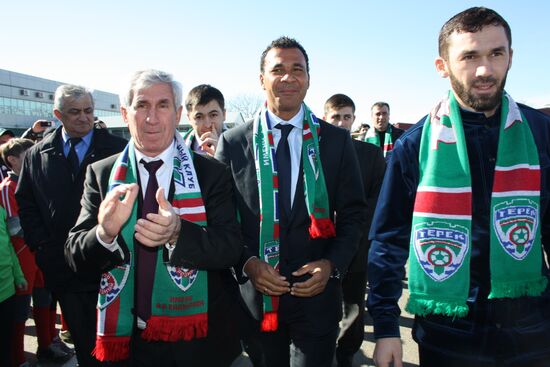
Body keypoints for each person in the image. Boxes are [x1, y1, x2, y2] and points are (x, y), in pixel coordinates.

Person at [367, 7, 550, 367]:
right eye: (469, 56)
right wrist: (387, 327)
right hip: (448, 335)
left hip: (533, 330)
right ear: (443, 66)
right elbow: (388, 240)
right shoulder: (413, 145)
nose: (485, 70)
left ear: (510, 57)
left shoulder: (541, 134)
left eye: (496, 53)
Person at [65, 69, 243, 366]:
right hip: (125, 339)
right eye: (142, 105)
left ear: (177, 113)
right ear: (125, 113)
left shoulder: (212, 173)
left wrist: (178, 232)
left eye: (162, 105)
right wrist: (104, 233)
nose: (152, 117)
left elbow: (230, 248)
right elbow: (74, 256)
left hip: (196, 342)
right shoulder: (101, 174)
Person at [216, 37, 366, 367]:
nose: (288, 77)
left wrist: (332, 265)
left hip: (318, 297)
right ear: (262, 80)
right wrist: (248, 264)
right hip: (257, 301)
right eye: (278, 70)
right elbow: (222, 221)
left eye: (297, 69)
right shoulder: (233, 143)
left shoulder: (336, 142)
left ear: (309, 79)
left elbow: (354, 214)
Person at [15, 84, 127, 367]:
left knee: (122, 346)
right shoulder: (37, 154)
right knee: (86, 346)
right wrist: (41, 247)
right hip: (63, 269)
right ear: (58, 114)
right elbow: (25, 204)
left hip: (112, 267)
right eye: (74, 112)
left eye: (88, 110)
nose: (83, 117)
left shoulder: (118, 149)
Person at [323, 94, 385, 367]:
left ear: (354, 119)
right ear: (325, 119)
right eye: (336, 117)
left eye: (347, 117)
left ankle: (347, 353)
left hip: (357, 246)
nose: (341, 122)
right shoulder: (312, 153)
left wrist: (349, 222)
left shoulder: (370, 155)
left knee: (354, 306)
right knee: (318, 304)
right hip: (319, 247)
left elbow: (378, 200)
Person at [0, 138, 71, 366]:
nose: (34, 159)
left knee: (46, 299)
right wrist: (43, 228)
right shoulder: (7, 188)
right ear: (12, 160)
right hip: (22, 258)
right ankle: (18, 358)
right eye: (27, 155)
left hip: (38, 254)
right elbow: (14, 227)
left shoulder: (34, 182)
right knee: (19, 314)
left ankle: (47, 344)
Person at [184, 84, 226, 156]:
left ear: (224, 115)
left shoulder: (243, 147)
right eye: (199, 117)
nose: (207, 124)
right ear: (189, 118)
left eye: (213, 115)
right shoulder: (175, 151)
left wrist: (221, 155)